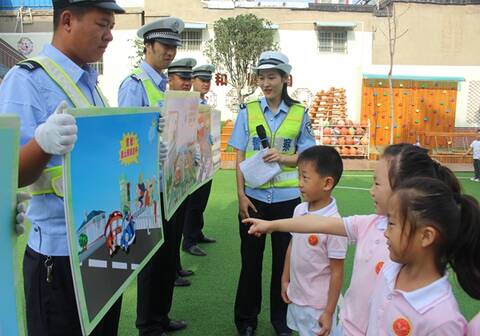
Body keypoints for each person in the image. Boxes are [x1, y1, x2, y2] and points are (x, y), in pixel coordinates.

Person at [0, 0, 125, 335]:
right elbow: (7, 173)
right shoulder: (25, 80)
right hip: (58, 256)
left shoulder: (91, 85)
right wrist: (42, 142)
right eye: (102, 24)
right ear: (67, 20)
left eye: (111, 26)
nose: (110, 36)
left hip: (102, 244)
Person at [245, 144, 461, 336]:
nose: (371, 190)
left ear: (405, 189)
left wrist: (328, 311)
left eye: (377, 183)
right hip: (345, 327)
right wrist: (271, 225)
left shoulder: (407, 260)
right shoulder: (370, 225)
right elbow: (317, 223)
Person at [228, 50, 316, 336]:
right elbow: (239, 156)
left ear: (285, 78)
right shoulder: (247, 111)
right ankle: (246, 320)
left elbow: (309, 155)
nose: (266, 83)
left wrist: (284, 158)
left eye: (272, 77)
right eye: (262, 77)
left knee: (284, 264)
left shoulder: (300, 113)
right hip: (253, 200)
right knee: (250, 263)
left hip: (287, 202)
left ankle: (281, 321)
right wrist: (241, 196)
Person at [117, 17, 188, 336]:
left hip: (168, 183)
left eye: (174, 46)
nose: (170, 52)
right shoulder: (133, 84)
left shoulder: (162, 85)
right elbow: (126, 139)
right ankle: (147, 323)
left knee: (168, 253)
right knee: (151, 259)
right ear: (148, 47)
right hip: (147, 187)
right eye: (165, 46)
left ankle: (161, 316)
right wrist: (150, 151)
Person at [367, 176, 480, 335]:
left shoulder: (443, 321)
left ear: (426, 236)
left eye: (391, 224)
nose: (386, 233)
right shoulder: (389, 269)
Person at [284, 146, 347, 336]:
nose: (299, 183)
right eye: (299, 177)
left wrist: (328, 312)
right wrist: (284, 279)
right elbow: (292, 246)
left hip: (318, 305)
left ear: (327, 183)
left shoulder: (335, 225)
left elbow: (337, 272)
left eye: (305, 177)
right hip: (297, 296)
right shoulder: (299, 210)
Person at [166, 57, 198, 287]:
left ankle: (174, 268)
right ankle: (171, 272)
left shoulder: (187, 102)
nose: (187, 82)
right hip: (163, 177)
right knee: (168, 236)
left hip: (181, 172)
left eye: (189, 78)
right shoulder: (137, 87)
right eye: (182, 78)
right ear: (170, 79)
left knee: (176, 230)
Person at [182, 64, 217, 257]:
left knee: (202, 199)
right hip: (192, 160)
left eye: (208, 80)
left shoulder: (204, 102)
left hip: (206, 158)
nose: (206, 84)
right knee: (193, 202)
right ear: (192, 80)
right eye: (202, 80)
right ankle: (189, 241)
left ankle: (197, 232)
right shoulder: (186, 103)